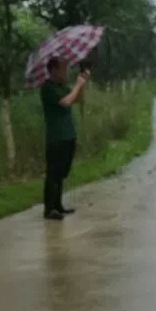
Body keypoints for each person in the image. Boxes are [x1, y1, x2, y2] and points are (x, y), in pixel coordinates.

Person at [40, 57, 90, 220]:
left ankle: (58, 205)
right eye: (63, 68)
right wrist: (77, 85)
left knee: (62, 172)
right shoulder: (48, 88)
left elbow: (77, 99)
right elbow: (66, 102)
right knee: (53, 173)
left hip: (69, 134)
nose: (66, 71)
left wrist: (82, 84)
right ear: (54, 70)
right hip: (56, 137)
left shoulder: (62, 87)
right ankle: (49, 209)